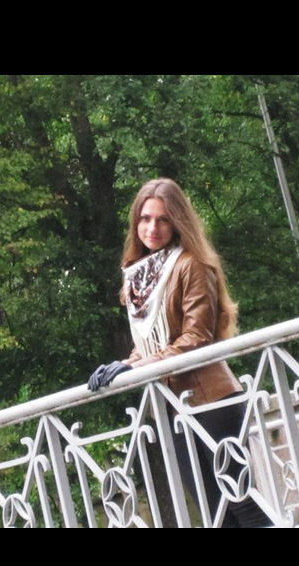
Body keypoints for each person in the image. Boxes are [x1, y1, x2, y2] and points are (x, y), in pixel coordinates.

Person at [88, 178, 269, 528]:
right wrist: (124, 364)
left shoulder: (191, 264)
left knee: (242, 503)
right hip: (174, 407)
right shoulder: (139, 277)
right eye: (145, 219)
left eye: (163, 219)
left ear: (177, 222)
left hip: (212, 400)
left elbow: (196, 337)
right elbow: (151, 344)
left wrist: (138, 368)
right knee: (216, 514)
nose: (152, 228)